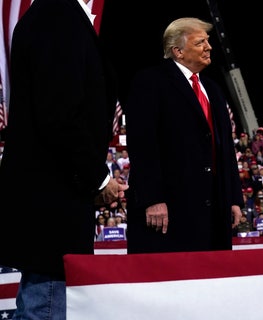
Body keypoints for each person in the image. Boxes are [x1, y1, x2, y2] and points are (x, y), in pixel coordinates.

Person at [0, 0, 128, 318]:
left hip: (51, 197)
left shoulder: (53, 15)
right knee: (46, 304)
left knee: (41, 299)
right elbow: (60, 116)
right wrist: (99, 179)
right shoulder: (58, 16)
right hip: (53, 201)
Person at [124, 17, 243, 253]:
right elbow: (143, 145)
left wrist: (233, 198)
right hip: (169, 213)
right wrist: (152, 198)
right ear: (177, 51)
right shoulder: (150, 81)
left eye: (208, 42)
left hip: (213, 212)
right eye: (200, 43)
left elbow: (225, 149)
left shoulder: (214, 90)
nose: (209, 47)